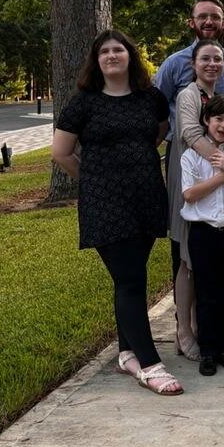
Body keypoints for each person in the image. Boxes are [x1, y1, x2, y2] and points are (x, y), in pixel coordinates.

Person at [52, 29, 182, 396]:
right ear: (96, 60)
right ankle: (150, 364)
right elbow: (61, 152)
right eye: (104, 51)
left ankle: (127, 353)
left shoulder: (150, 98)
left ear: (130, 56)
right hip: (106, 204)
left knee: (131, 276)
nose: (111, 55)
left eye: (118, 50)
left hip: (145, 197)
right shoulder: (84, 103)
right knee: (130, 280)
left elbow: (157, 134)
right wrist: (96, 180)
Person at [154, 0, 224, 284]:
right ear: (191, 22)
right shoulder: (173, 64)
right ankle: (186, 323)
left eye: (215, 16)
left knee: (220, 227)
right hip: (186, 157)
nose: (209, 21)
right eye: (203, 16)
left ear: (223, 22)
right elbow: (160, 111)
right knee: (184, 232)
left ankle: (214, 305)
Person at [170, 38, 224, 359]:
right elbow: (191, 135)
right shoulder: (187, 95)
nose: (212, 64)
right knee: (186, 260)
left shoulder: (219, 99)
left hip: (215, 187)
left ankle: (201, 328)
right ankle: (183, 330)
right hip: (191, 182)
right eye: (205, 59)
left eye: (218, 60)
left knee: (202, 264)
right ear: (193, 64)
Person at [180, 94, 224, 377]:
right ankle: (207, 350)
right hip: (203, 233)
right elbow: (190, 194)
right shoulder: (191, 157)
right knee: (206, 293)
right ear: (206, 121)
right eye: (218, 119)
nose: (223, 125)